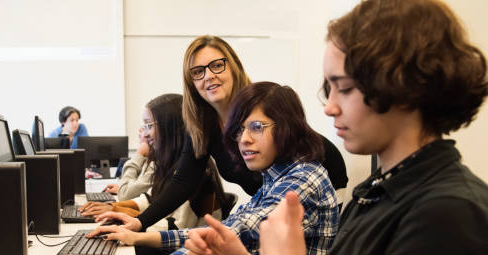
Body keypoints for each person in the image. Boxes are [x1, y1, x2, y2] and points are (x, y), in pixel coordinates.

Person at [152, 0, 488, 255]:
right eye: (328, 90)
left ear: (406, 88)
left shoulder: (445, 216)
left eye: (343, 88)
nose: (329, 107)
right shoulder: (380, 191)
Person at [79, 82, 339, 255]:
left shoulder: (301, 182)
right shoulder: (275, 177)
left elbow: (233, 233)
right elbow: (221, 229)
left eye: (256, 127)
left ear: (288, 126)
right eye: (239, 130)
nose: (244, 140)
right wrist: (140, 237)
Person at [99, 35, 347, 233]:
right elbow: (183, 182)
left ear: (234, 67)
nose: (209, 76)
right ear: (192, 82)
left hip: (322, 179)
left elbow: (284, 182)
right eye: (198, 71)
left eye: (217, 65)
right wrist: (141, 222)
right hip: (265, 208)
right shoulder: (201, 125)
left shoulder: (260, 106)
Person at [80, 93, 222, 231]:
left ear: (170, 127)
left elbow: (177, 226)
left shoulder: (193, 171)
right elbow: (150, 200)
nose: (146, 134)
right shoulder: (168, 162)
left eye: (149, 125)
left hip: (188, 249)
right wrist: (114, 207)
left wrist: (122, 214)